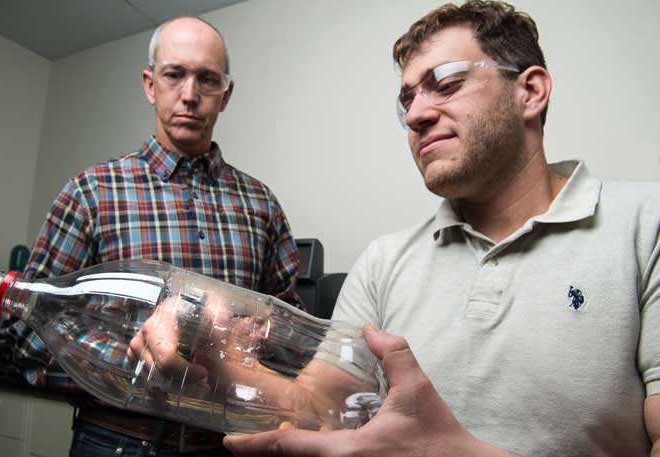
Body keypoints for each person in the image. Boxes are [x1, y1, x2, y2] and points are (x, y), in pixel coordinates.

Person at [222, 1, 660, 456]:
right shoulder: (383, 261)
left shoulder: (646, 227)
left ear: (529, 91)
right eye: (407, 100)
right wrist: (211, 368)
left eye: (445, 85)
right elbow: (313, 405)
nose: (415, 116)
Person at [0, 16, 302, 457]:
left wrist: (252, 343)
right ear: (149, 84)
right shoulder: (92, 192)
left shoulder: (262, 204)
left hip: (230, 445)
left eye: (207, 79)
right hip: (118, 441)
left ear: (226, 95)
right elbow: (26, 326)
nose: (190, 95)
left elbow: (292, 333)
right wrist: (130, 365)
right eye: (174, 75)